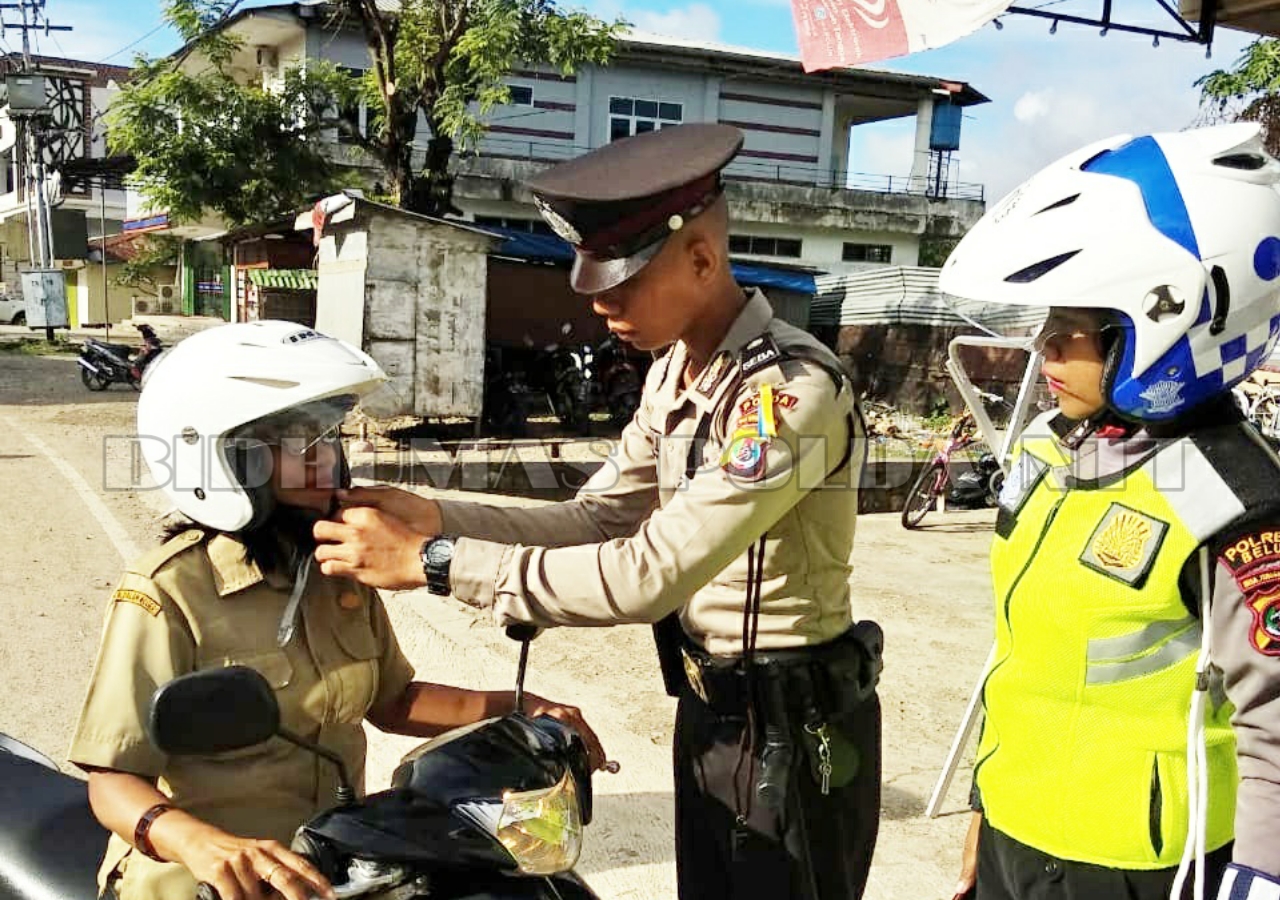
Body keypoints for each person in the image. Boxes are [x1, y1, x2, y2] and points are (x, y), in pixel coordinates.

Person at [311, 122, 883, 900]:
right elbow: (598, 519)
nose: (603, 306)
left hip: (791, 730)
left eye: (622, 284)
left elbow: (648, 575)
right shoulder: (676, 373)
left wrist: (433, 565)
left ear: (703, 260)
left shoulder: (784, 395)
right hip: (718, 716)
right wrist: (435, 516)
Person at [67, 321, 603, 900]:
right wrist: (200, 843)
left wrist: (523, 708)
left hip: (333, 869)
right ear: (223, 458)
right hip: (203, 884)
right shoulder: (168, 593)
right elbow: (113, 777)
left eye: (330, 437)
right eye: (299, 443)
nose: (329, 460)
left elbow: (394, 701)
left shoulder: (334, 567)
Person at [939, 123, 1280, 900]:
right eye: (1046, 328)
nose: (1046, 352)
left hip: (1140, 866)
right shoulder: (1051, 455)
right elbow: (1019, 660)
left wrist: (1262, 880)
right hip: (1017, 835)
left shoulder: (1225, 492)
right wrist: (984, 813)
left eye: (1073, 332)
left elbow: (1276, 720)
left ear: (1164, 327)